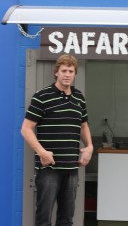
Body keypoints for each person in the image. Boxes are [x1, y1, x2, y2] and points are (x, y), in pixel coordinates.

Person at [21, 54, 93, 226]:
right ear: (56, 73)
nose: (67, 74)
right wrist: (41, 152)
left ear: (75, 73)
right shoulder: (42, 97)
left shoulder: (79, 97)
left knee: (66, 218)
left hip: (71, 167)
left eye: (71, 71)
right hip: (49, 168)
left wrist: (89, 147)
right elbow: (26, 129)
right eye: (64, 71)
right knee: (44, 218)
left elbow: (83, 125)